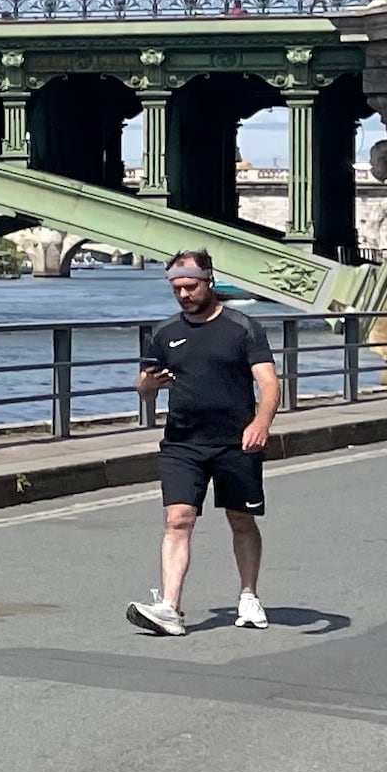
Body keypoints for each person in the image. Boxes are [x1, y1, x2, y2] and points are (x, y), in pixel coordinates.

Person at [126, 249, 283, 635]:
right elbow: (145, 388)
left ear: (208, 281)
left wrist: (261, 422)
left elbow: (268, 383)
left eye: (190, 286)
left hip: (236, 442)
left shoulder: (242, 327)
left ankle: (248, 596)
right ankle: (170, 608)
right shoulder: (165, 333)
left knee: (241, 519)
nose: (183, 295)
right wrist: (147, 385)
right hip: (183, 443)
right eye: (177, 288)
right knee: (178, 519)